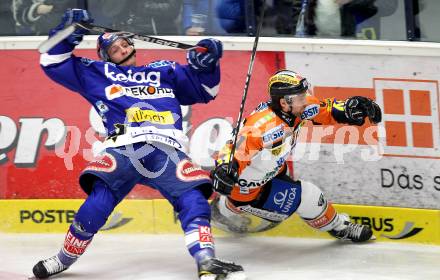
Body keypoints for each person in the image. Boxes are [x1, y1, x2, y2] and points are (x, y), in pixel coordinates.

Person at [33, 8, 245, 280]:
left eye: (124, 43)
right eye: (113, 48)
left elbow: (206, 91)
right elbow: (51, 59)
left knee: (193, 198)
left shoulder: (164, 71)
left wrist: (207, 65)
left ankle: (206, 261)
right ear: (104, 55)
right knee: (98, 202)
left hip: (166, 149)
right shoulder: (98, 72)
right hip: (123, 147)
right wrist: (67, 33)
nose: (120, 48)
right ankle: (62, 259)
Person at [210, 69, 382, 242]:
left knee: (282, 177)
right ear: (284, 103)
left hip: (270, 171)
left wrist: (348, 109)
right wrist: (225, 168)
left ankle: (224, 208)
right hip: (248, 190)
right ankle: (339, 227)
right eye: (301, 97)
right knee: (309, 195)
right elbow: (234, 148)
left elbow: (324, 110)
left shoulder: (296, 108)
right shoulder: (263, 126)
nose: (305, 99)